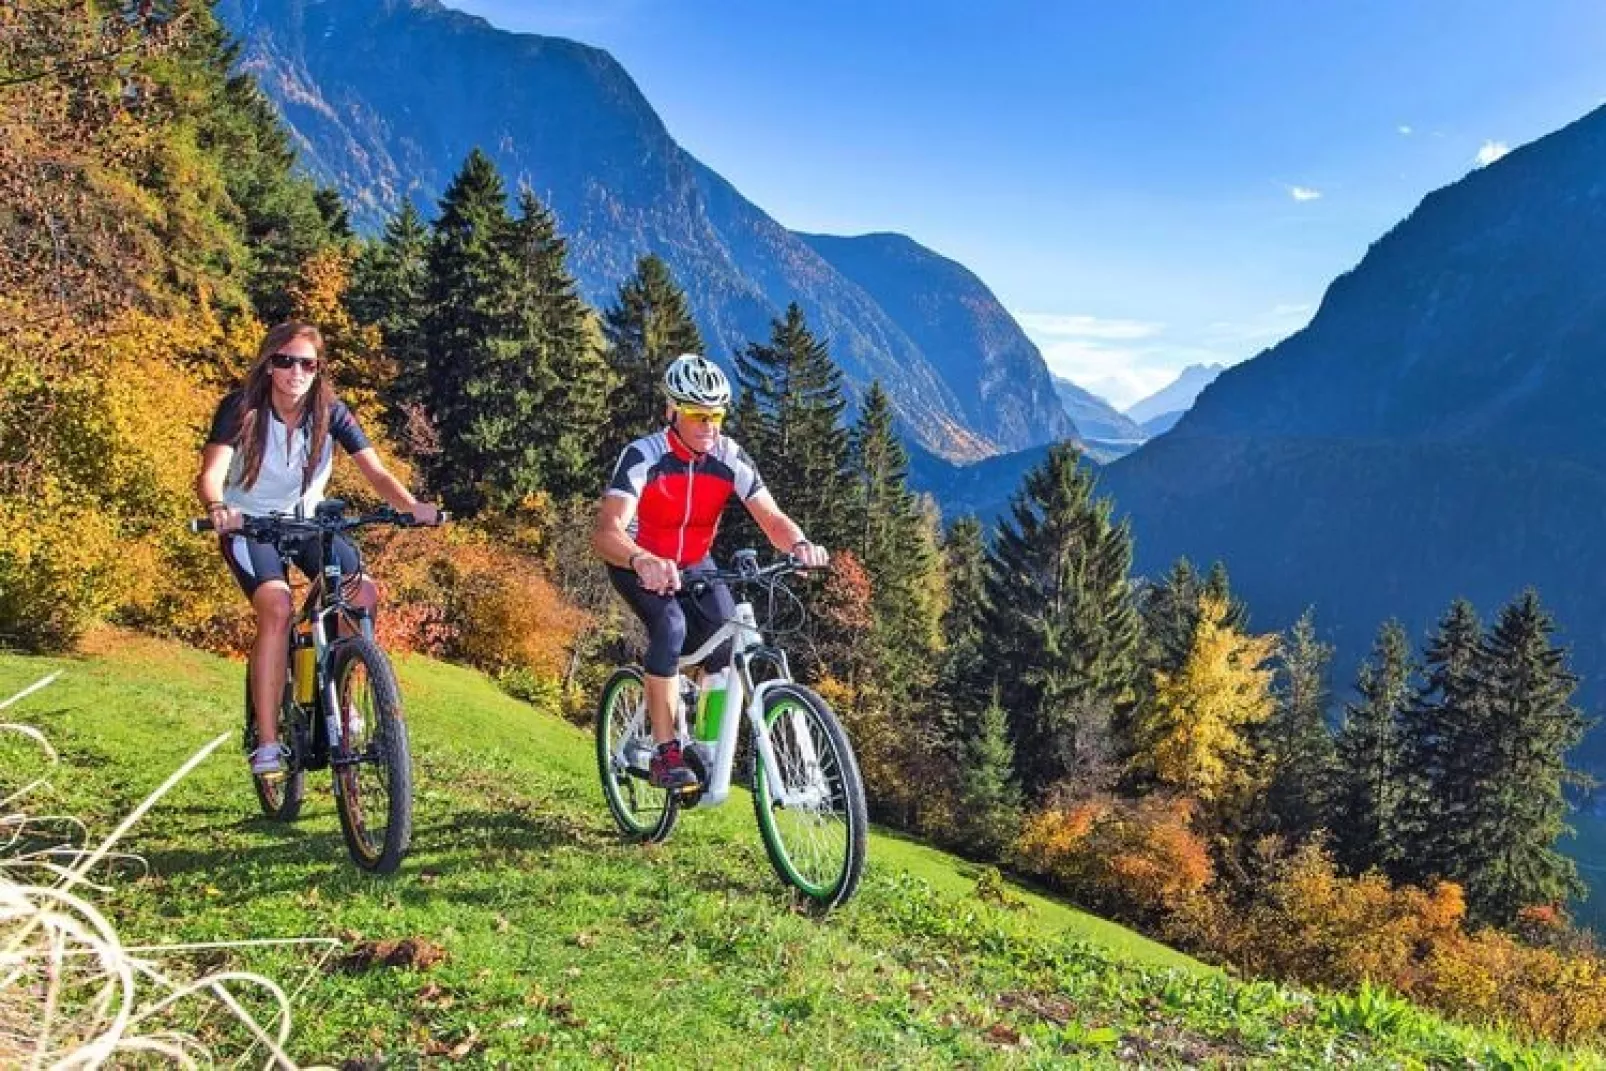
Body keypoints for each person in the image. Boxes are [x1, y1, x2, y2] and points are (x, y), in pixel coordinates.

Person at [195, 322, 439, 779]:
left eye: (307, 363)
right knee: (277, 606)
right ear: (269, 364)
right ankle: (267, 742)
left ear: (319, 369)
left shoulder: (332, 413)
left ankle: (343, 703)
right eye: (285, 361)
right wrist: (217, 507)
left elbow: (377, 472)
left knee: (360, 594)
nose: (296, 372)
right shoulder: (242, 407)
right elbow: (211, 474)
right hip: (249, 525)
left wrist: (410, 507)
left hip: (309, 522)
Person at [592, 354, 829, 790]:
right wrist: (641, 559)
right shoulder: (644, 456)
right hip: (638, 560)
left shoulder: (728, 456)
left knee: (725, 646)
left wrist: (798, 543)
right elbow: (606, 532)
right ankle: (666, 753)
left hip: (696, 564)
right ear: (672, 410)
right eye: (698, 415)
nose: (709, 426)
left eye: (717, 415)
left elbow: (772, 518)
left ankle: (700, 744)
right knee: (671, 626)